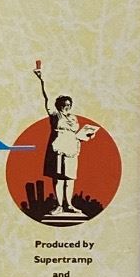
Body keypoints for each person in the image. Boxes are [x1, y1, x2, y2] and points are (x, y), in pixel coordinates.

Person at [35, 67, 98, 215]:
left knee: (70, 178)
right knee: (59, 178)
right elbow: (47, 99)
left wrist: (88, 135)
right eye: (65, 104)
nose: (67, 107)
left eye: (69, 104)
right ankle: (59, 205)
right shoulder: (55, 115)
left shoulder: (74, 118)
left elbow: (76, 134)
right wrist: (42, 80)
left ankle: (69, 205)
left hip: (71, 148)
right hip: (58, 147)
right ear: (60, 105)